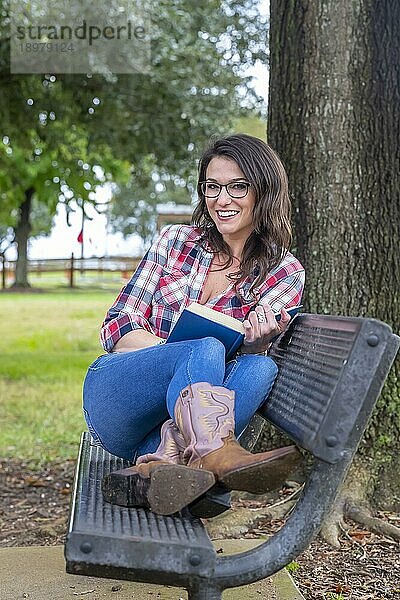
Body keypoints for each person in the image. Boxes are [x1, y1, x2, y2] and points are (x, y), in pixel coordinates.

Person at [83, 134, 305, 517]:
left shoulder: (283, 272)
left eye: (238, 187)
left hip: (162, 428)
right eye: (212, 187)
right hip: (119, 399)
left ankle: (162, 465)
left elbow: (246, 363)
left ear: (264, 191)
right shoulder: (176, 241)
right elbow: (117, 325)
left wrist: (256, 344)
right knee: (205, 347)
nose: (222, 200)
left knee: (260, 366)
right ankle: (217, 455)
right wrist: (179, 358)